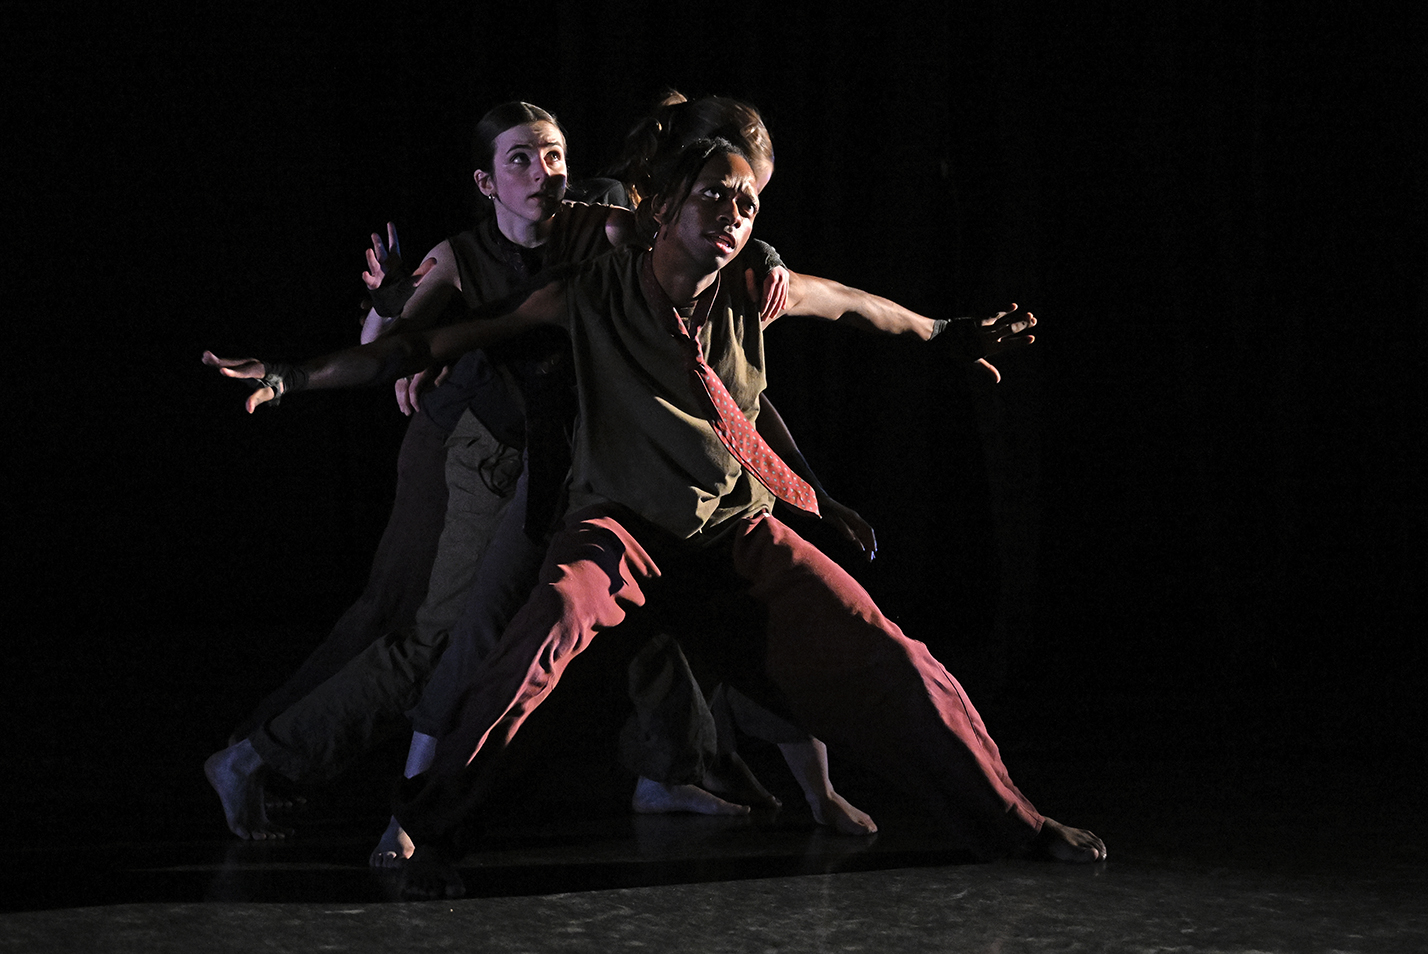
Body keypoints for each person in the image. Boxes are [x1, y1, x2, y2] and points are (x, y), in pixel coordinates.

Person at [211, 138, 1102, 902]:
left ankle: (1014, 823)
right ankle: (433, 834)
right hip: (621, 531)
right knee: (536, 640)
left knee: (887, 655)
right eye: (716, 194)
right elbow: (422, 346)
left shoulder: (756, 288)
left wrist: (947, 334)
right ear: (667, 207)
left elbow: (860, 306)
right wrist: (295, 376)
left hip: (733, 535)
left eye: (749, 201)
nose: (735, 212)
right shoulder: (588, 292)